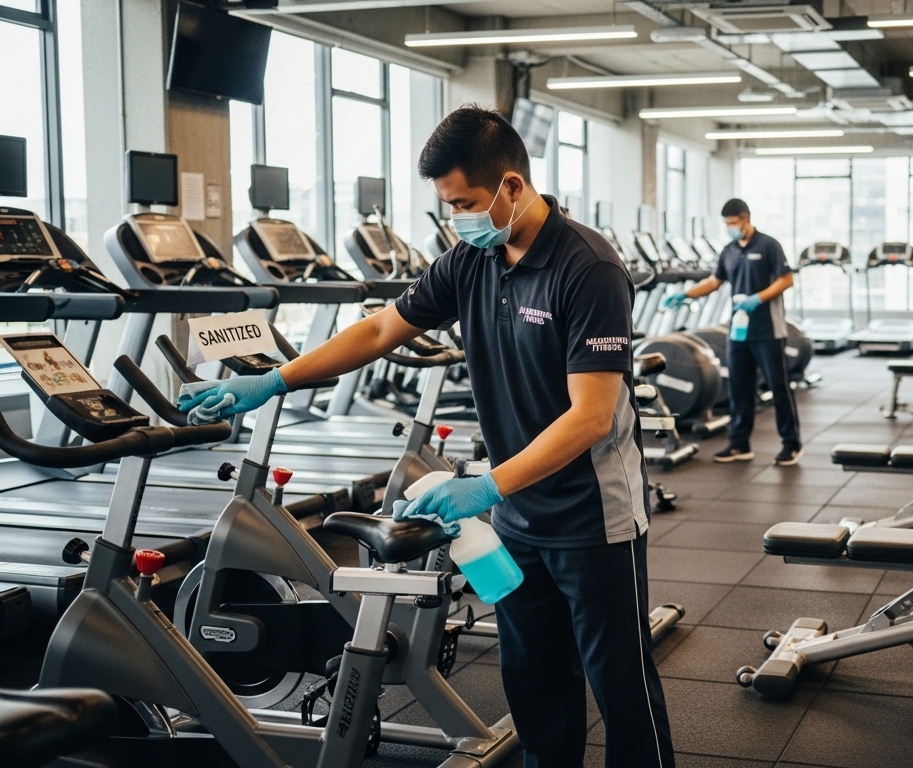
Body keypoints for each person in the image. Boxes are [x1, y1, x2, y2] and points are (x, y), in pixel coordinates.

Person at [179, 105, 673, 768]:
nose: (456, 219)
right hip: (518, 519)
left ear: (513, 188)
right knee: (537, 690)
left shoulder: (588, 270)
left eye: (465, 202)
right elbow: (383, 330)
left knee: (623, 692)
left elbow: (590, 415)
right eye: (446, 205)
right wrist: (277, 379)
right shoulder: (470, 260)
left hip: (595, 519)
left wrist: (486, 484)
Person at [662, 199, 802, 465]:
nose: (730, 228)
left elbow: (787, 279)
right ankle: (739, 444)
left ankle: (791, 445)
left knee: (778, 388)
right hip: (739, 330)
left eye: (733, 223)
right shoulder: (729, 250)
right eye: (727, 224)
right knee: (739, 389)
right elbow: (715, 281)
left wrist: (758, 299)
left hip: (769, 329)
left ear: (745, 219)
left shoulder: (769, 245)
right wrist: (686, 294)